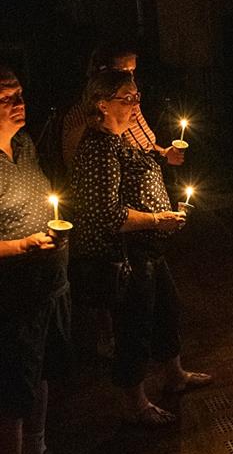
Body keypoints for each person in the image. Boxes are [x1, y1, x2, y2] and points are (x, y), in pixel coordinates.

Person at [70, 70, 211, 427]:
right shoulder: (99, 148)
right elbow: (108, 214)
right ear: (102, 104)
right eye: (126, 98)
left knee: (166, 310)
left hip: (149, 250)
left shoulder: (120, 140)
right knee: (135, 326)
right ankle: (135, 402)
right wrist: (157, 219)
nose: (135, 104)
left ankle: (174, 375)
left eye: (137, 97)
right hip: (127, 254)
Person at [0, 62, 72, 454]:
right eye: (6, 99)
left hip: (47, 284)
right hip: (11, 295)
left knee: (42, 370)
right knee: (12, 389)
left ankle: (37, 453)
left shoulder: (25, 145)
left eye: (20, 95)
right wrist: (21, 246)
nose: (19, 104)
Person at [61, 42, 185, 169]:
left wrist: (164, 153)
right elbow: (83, 164)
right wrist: (162, 159)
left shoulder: (131, 105)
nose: (130, 77)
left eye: (132, 71)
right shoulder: (85, 116)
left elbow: (144, 145)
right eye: (124, 72)